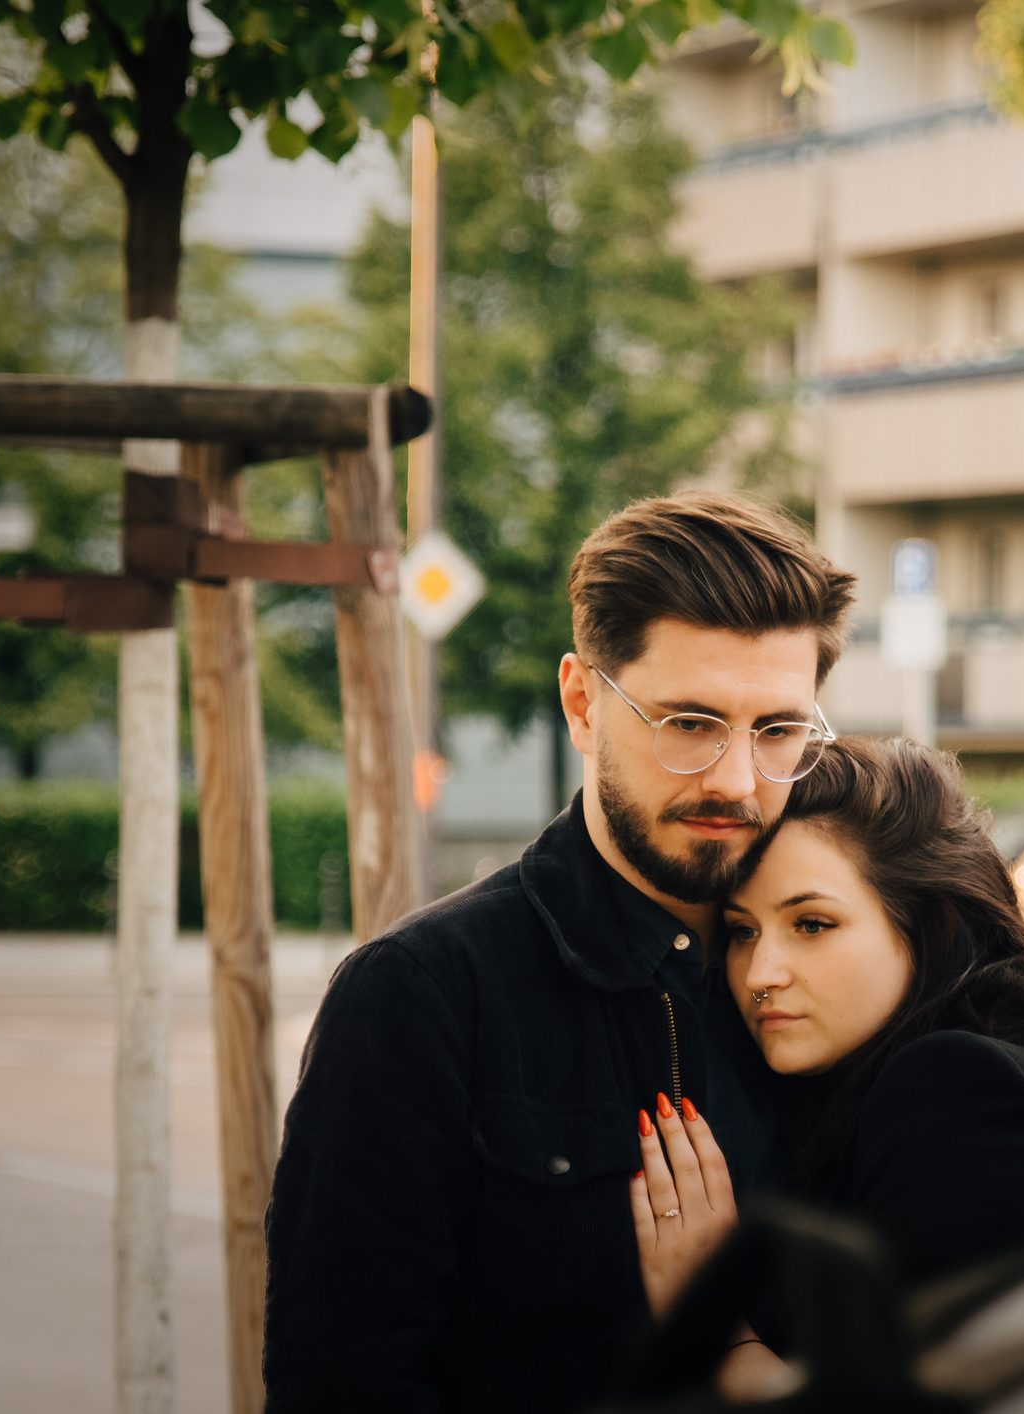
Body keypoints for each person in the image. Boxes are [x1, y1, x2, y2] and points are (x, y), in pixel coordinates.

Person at [263, 492, 856, 1414]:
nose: (738, 780)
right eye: (689, 724)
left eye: (777, 731)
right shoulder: (424, 997)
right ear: (582, 702)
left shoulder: (852, 965)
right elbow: (341, 1382)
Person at [625, 737, 1024, 1392]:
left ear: (927, 927)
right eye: (742, 931)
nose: (760, 974)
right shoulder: (870, 1086)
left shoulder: (963, 1091)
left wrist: (719, 1326)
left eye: (812, 924)